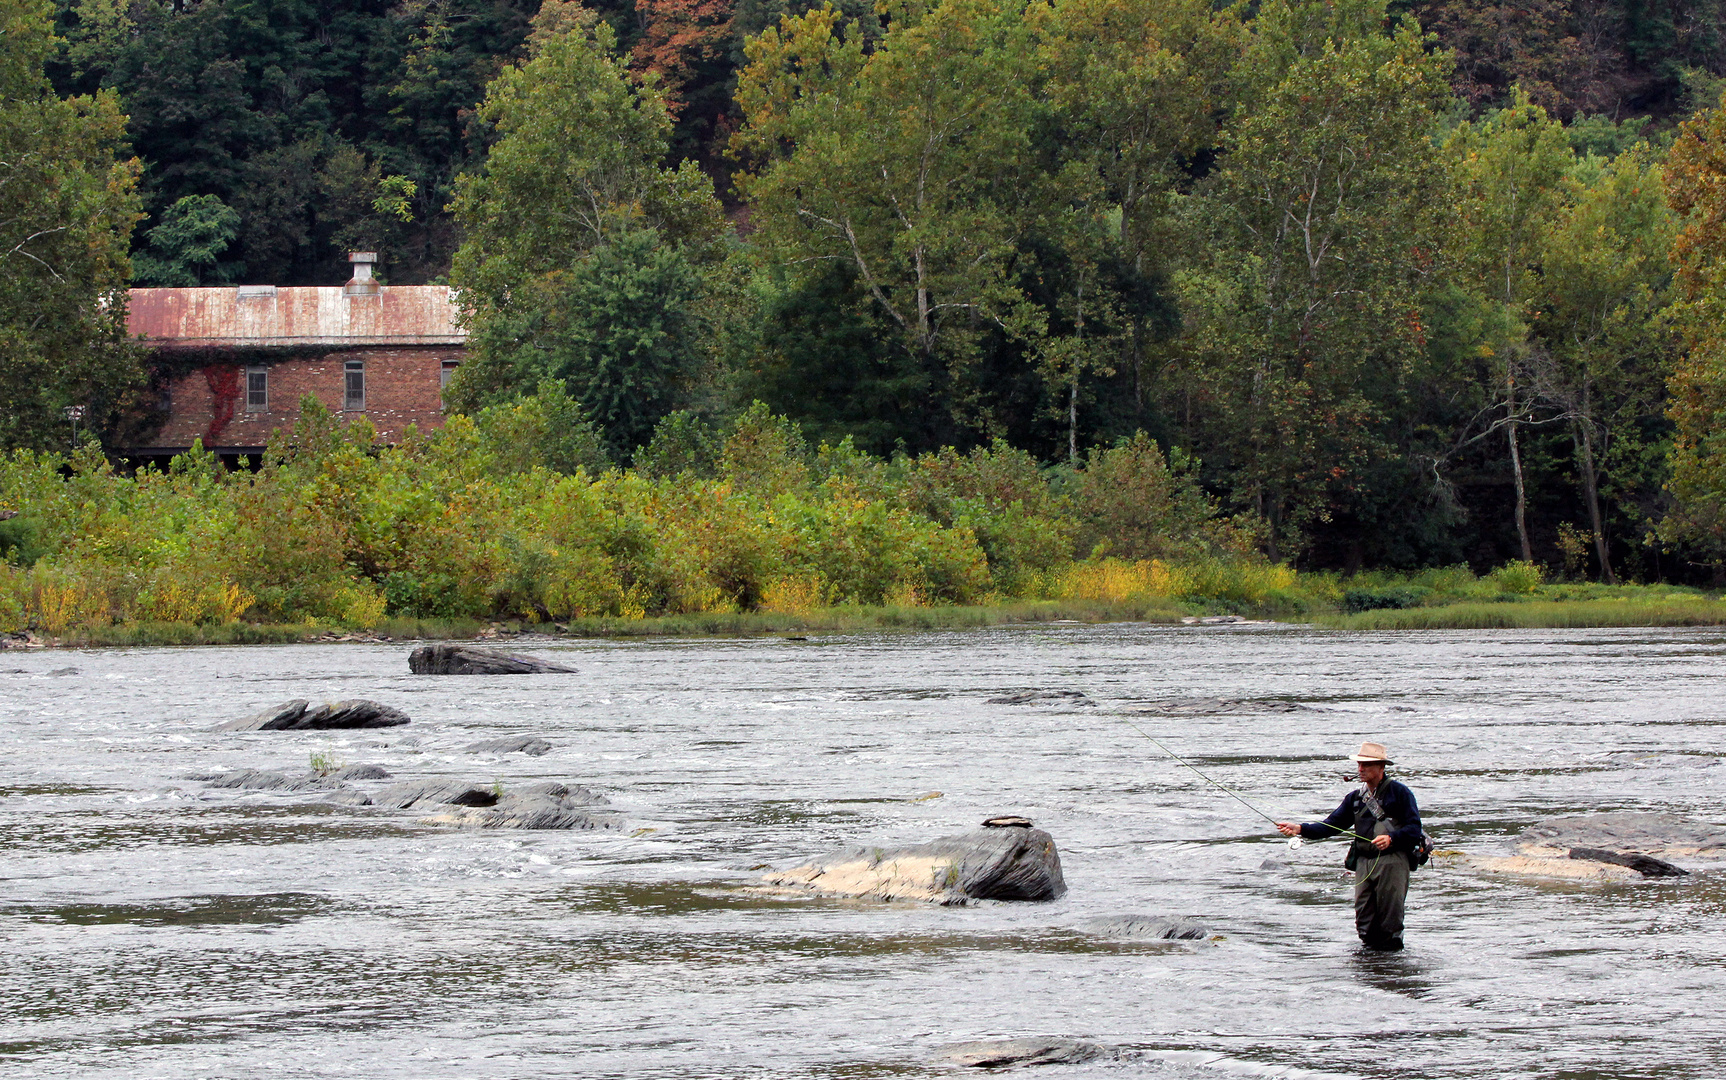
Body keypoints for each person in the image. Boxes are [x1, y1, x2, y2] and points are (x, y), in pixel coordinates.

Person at [1276, 741, 1422, 952]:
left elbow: (1414, 829)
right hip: (1363, 862)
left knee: (1390, 919)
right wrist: (1300, 829)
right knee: (1364, 920)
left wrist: (1392, 839)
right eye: (1359, 765)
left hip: (1392, 861)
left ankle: (1392, 967)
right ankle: (1371, 966)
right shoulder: (1355, 798)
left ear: (1381, 767)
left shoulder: (1400, 793)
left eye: (1366, 765)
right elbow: (1331, 826)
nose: (1360, 769)